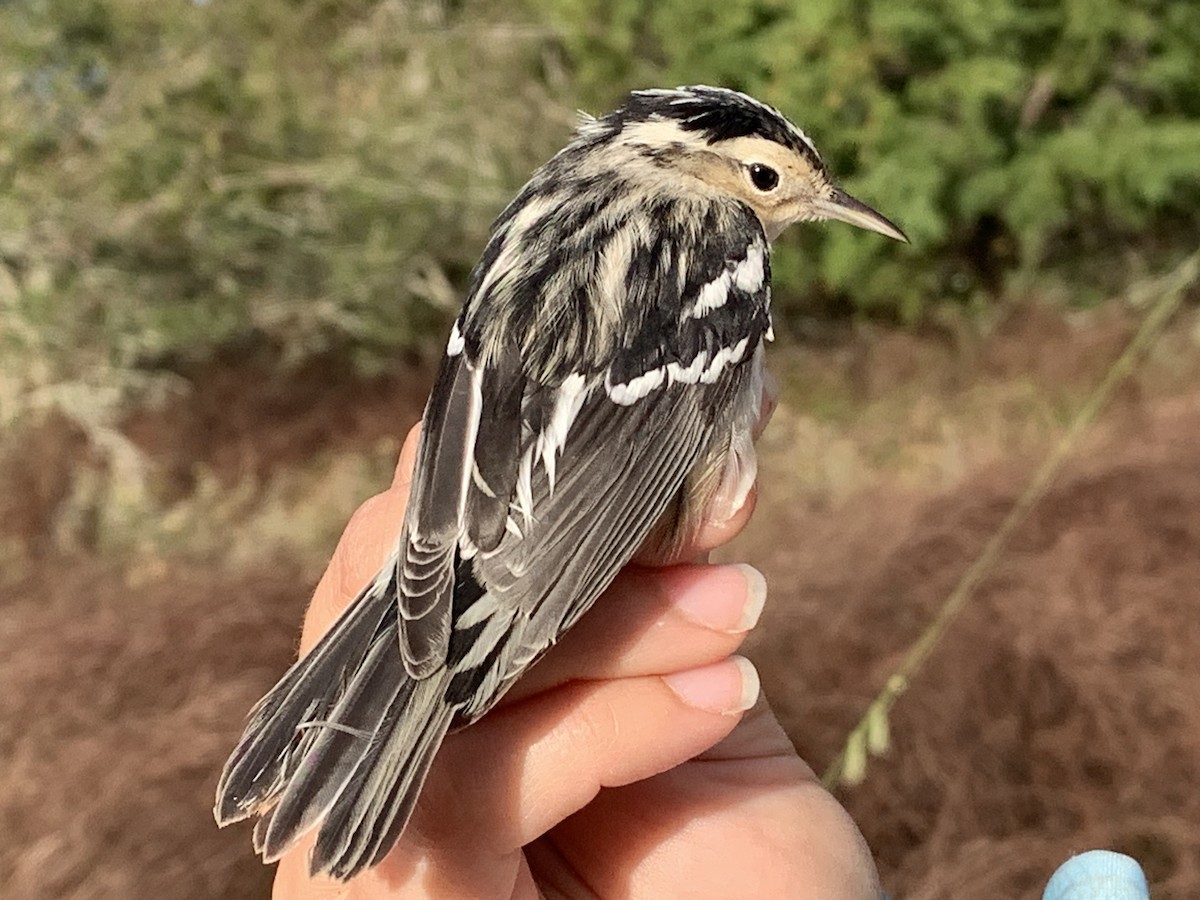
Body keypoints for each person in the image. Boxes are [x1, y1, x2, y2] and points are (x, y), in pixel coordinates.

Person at [272, 424, 882, 898]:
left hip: (472, 489)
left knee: (440, 637)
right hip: (558, 507)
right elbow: (647, 443)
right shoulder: (724, 264)